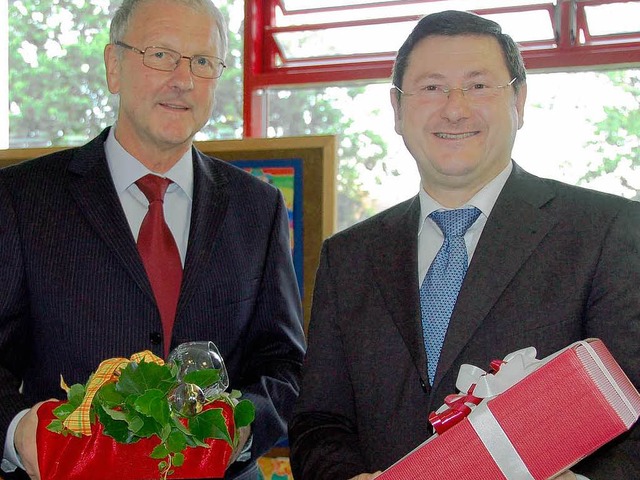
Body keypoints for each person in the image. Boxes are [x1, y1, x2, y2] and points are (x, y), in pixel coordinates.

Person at [289, 10, 639, 480]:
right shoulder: (348, 256)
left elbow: (632, 415)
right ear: (397, 109)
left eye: (478, 86)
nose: (455, 109)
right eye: (432, 88)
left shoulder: (608, 230)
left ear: (519, 100)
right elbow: (319, 422)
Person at [0, 0, 305, 479]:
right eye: (160, 55)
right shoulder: (21, 200)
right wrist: (19, 434)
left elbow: (284, 362)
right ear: (113, 66)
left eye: (202, 62)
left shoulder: (257, 208)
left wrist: (239, 431)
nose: (182, 79)